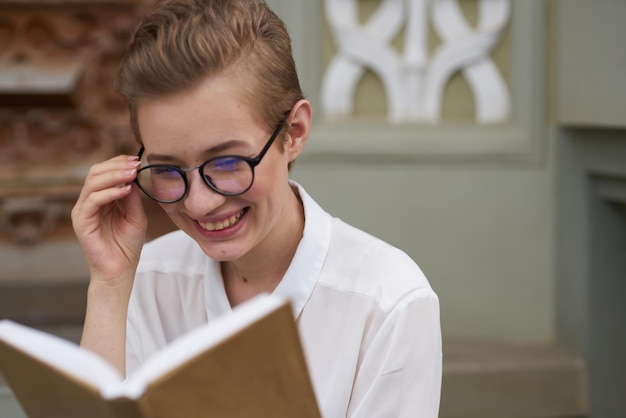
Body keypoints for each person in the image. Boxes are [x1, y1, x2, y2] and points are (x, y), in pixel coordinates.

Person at [71, 0, 442, 416]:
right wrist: (108, 287)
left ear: (294, 132)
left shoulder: (388, 302)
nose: (199, 202)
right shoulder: (145, 278)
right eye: (168, 168)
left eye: (228, 163)